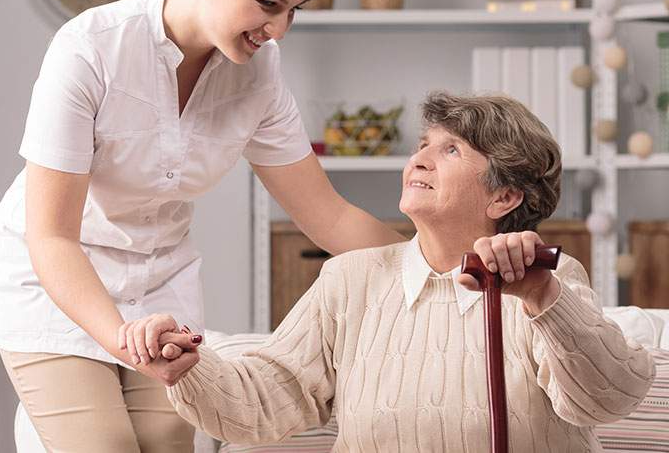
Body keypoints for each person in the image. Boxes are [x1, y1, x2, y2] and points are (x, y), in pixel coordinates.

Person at [0, 0, 405, 451]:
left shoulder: (259, 75)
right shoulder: (90, 49)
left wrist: (445, 265)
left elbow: (329, 216)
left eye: (292, 11)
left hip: (160, 284)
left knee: (167, 442)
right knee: (104, 444)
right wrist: (122, 336)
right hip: (56, 282)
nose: (279, 29)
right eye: (268, 4)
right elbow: (52, 238)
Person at [135, 91, 655, 452]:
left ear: (505, 195)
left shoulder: (552, 279)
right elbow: (270, 398)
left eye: (451, 150)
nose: (420, 161)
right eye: (422, 146)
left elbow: (608, 398)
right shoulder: (350, 280)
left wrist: (541, 296)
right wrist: (190, 367)